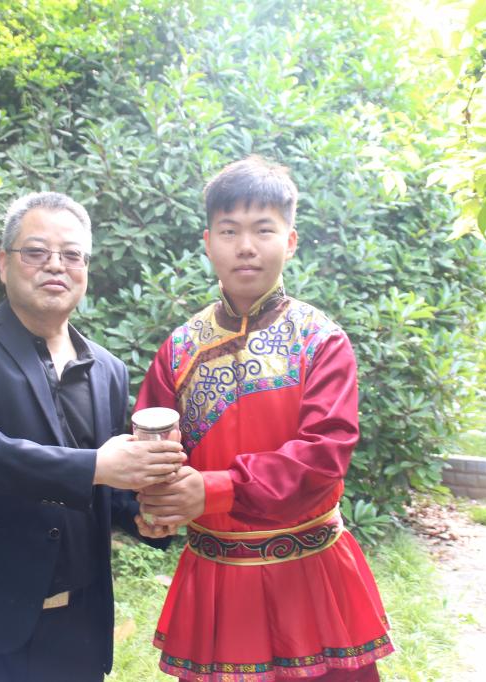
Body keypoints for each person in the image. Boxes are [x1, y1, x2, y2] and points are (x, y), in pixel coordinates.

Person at [134, 157, 393, 682]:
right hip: (216, 574)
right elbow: (150, 450)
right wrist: (154, 505)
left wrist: (215, 489)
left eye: (263, 230)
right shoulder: (179, 349)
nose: (246, 246)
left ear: (291, 241)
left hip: (308, 576)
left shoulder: (320, 341)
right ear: (208, 243)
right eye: (229, 231)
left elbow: (323, 457)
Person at [0, 191, 186, 681]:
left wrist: (143, 514)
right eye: (36, 251)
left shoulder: (108, 369)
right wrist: (97, 466)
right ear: (4, 263)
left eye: (72, 255)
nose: (56, 265)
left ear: (86, 268)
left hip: (76, 628)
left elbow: (104, 485)